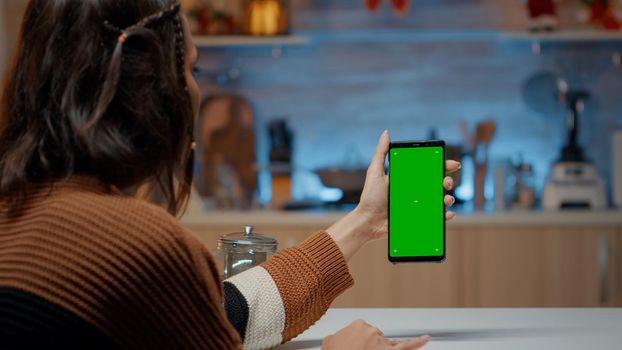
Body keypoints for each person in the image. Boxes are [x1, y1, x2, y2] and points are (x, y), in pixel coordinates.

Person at [0, 1, 460, 349]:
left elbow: (227, 312)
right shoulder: (139, 245)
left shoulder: (17, 214)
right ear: (152, 90)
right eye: (192, 68)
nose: (197, 89)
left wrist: (363, 220)